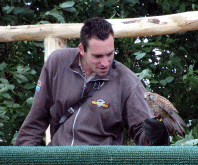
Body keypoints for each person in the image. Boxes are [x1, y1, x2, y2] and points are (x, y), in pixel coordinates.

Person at [15, 17, 169, 146]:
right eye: (97, 56)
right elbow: (36, 120)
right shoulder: (57, 62)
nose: (105, 63)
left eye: (110, 54)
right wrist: (22, 164)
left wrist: (158, 136)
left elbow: (143, 134)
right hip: (57, 163)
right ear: (82, 49)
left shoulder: (127, 81)